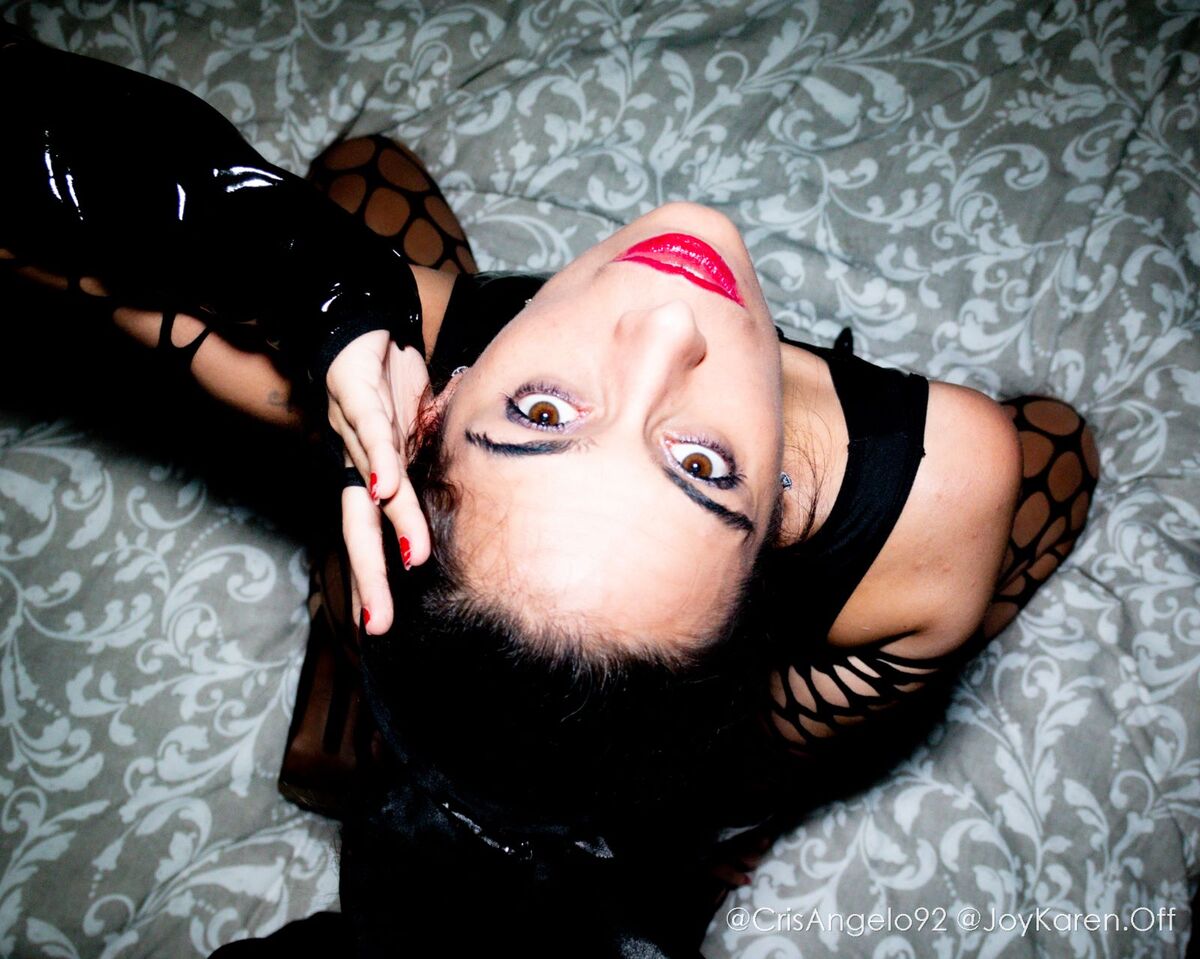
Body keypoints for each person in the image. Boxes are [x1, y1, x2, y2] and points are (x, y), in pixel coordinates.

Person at [1, 28, 1099, 958]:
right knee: (1056, 457)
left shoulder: (407, 355)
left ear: (430, 409)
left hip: (634, 692)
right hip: (686, 728)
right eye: (701, 467)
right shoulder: (947, 471)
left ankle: (396, 697)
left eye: (542, 414)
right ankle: (474, 744)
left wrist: (312, 299)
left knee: (362, 176)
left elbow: (64, 241)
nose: (666, 325)